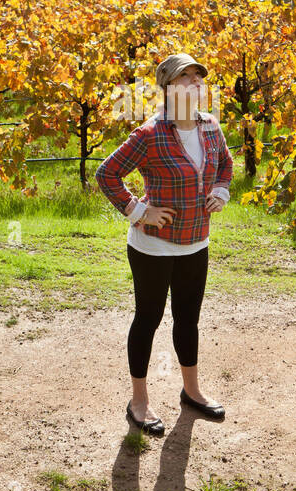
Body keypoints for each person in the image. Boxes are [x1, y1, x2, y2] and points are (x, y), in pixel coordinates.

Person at [95, 52, 234, 436]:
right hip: (153, 247)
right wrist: (139, 211)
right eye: (185, 77)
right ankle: (139, 401)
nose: (195, 83)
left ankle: (191, 391)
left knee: (188, 320)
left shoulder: (210, 127)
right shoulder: (149, 134)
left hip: (195, 243)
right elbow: (107, 174)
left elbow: (225, 164)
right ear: (169, 88)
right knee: (149, 320)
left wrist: (220, 191)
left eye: (198, 77)